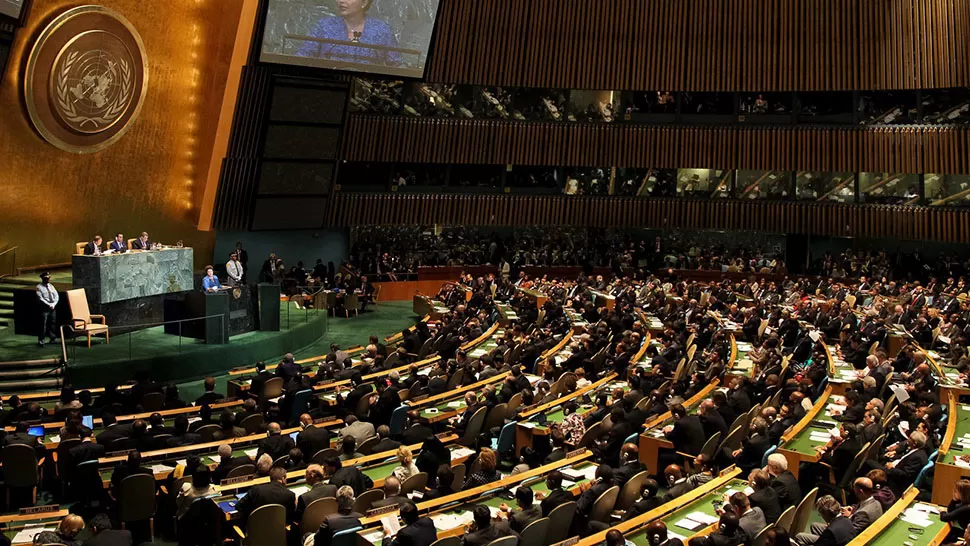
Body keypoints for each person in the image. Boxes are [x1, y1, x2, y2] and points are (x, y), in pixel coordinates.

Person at [296, 0, 402, 67]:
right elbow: (302, 57)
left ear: (364, 2)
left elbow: (397, 64)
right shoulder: (324, 26)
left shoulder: (382, 30)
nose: (341, 1)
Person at [36, 271, 59, 346]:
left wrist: (54, 304)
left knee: (53, 323)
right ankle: (41, 340)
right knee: (43, 324)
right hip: (44, 308)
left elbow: (56, 295)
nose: (48, 279)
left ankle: (52, 339)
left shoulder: (51, 286)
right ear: (43, 278)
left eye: (49, 277)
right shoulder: (39, 287)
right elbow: (40, 298)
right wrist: (49, 304)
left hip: (52, 307)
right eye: (46, 278)